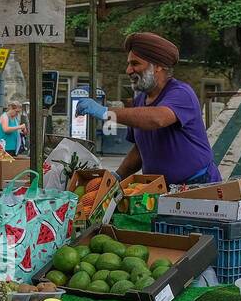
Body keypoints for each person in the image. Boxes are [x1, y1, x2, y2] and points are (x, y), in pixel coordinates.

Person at [76, 32, 220, 186]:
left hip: (199, 187)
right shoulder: (140, 101)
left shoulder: (181, 93)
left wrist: (105, 112)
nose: (128, 70)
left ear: (157, 66)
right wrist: (117, 176)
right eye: (129, 64)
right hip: (160, 190)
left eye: (135, 64)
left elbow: (157, 119)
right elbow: (141, 149)